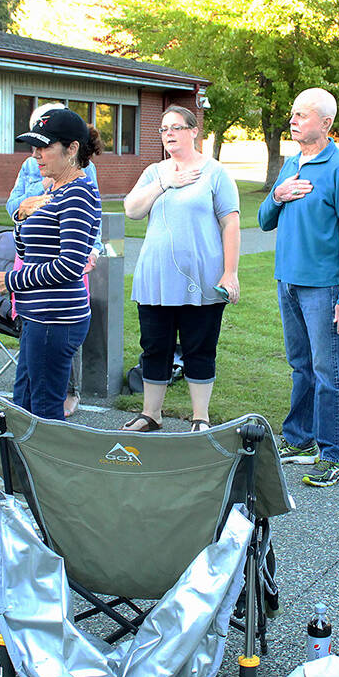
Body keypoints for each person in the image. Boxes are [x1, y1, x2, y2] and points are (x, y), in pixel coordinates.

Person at [258, 88, 339, 488]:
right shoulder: (290, 164)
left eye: (302, 115)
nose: (293, 120)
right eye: (292, 114)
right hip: (286, 281)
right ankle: (300, 440)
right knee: (300, 366)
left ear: (325, 123)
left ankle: (335, 454)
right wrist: (277, 194)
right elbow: (265, 219)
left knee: (328, 370)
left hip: (323, 288)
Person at [122, 106, 240, 433]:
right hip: (155, 279)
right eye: (163, 129)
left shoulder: (215, 173)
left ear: (193, 131)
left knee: (198, 347)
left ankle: (200, 418)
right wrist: (166, 182)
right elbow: (131, 210)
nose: (169, 134)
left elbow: (231, 223)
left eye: (176, 127)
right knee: (155, 346)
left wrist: (230, 273)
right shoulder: (155, 172)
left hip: (201, 280)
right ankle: (151, 415)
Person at [0, 108, 101, 420]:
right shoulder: (52, 191)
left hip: (56, 319)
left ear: (72, 149)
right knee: (23, 405)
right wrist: (21, 216)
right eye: (34, 147)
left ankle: (50, 469)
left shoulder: (78, 194)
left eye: (45, 147)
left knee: (45, 413)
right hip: (37, 316)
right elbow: (31, 249)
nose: (36, 155)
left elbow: (70, 266)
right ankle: (21, 469)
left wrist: (11, 281)